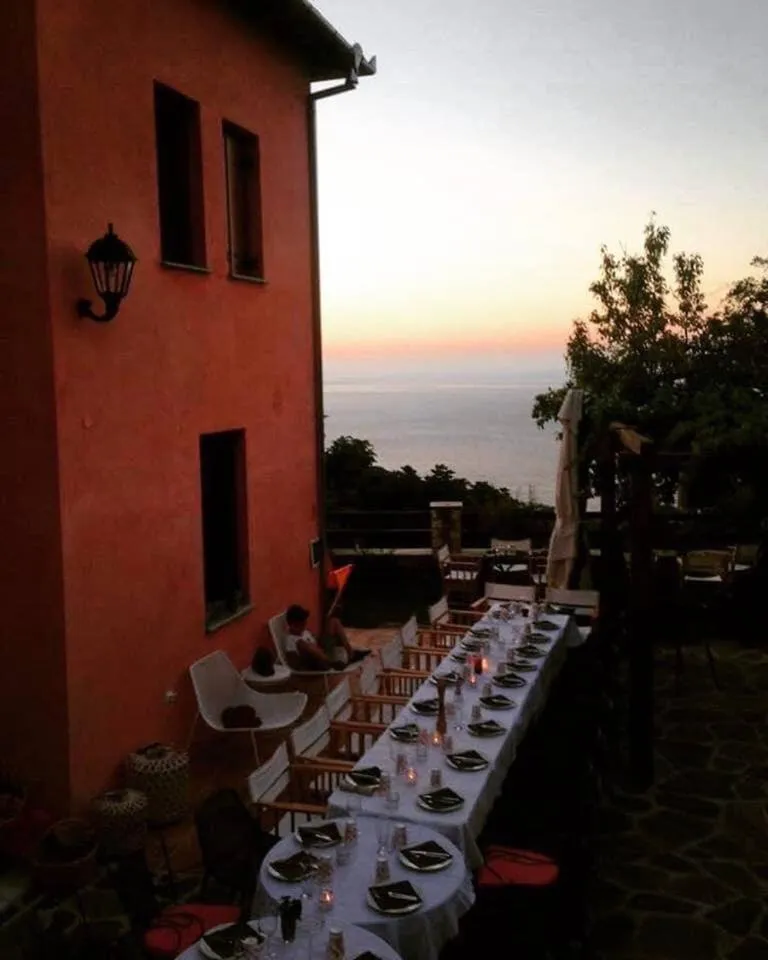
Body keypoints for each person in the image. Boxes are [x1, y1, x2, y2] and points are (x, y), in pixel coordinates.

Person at [283, 604, 370, 671]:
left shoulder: (302, 631)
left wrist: (320, 641)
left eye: (305, 623)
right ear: (293, 626)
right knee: (303, 644)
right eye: (302, 625)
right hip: (316, 661)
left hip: (321, 649)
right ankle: (333, 664)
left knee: (333, 621)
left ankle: (351, 654)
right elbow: (294, 663)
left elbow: (314, 639)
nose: (305, 627)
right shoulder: (291, 640)